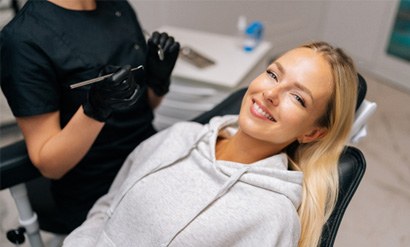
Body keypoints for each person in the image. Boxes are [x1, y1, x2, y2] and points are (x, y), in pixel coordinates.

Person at [62, 41, 358, 247]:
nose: (271, 93)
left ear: (313, 134)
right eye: (272, 74)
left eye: (298, 97)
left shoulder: (271, 216)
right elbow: (107, 208)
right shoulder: (180, 136)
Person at [0, 0, 180, 232]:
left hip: (150, 157)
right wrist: (95, 110)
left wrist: (158, 79)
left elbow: (145, 108)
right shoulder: (23, 40)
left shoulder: (117, 7)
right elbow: (50, 165)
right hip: (97, 188)